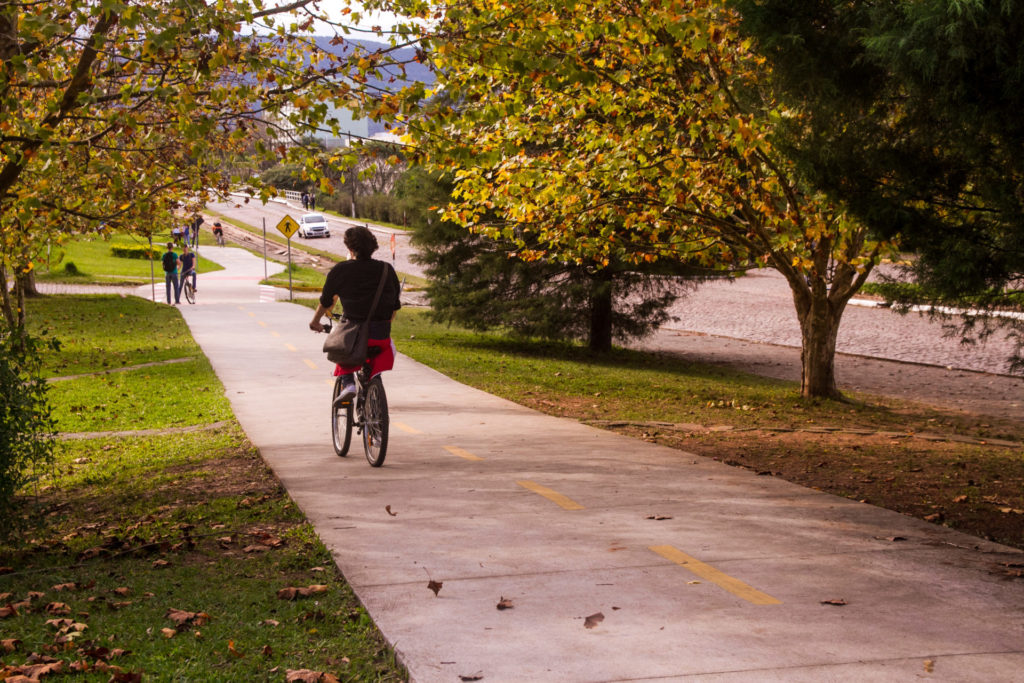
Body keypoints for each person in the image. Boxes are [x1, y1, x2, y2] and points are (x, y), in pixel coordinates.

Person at [309, 226, 401, 402]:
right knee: (372, 365)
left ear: (350, 248)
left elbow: (326, 301)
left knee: (339, 344)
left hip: (353, 336)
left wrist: (315, 322)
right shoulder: (386, 270)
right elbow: (395, 305)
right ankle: (375, 400)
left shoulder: (341, 270)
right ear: (373, 246)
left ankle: (348, 382)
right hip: (380, 335)